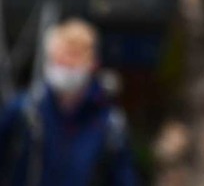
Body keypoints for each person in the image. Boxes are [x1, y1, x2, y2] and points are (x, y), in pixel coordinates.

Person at [0, 18, 137, 186]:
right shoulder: (23, 113)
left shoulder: (109, 126)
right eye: (58, 58)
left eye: (73, 58)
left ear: (93, 64)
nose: (64, 65)